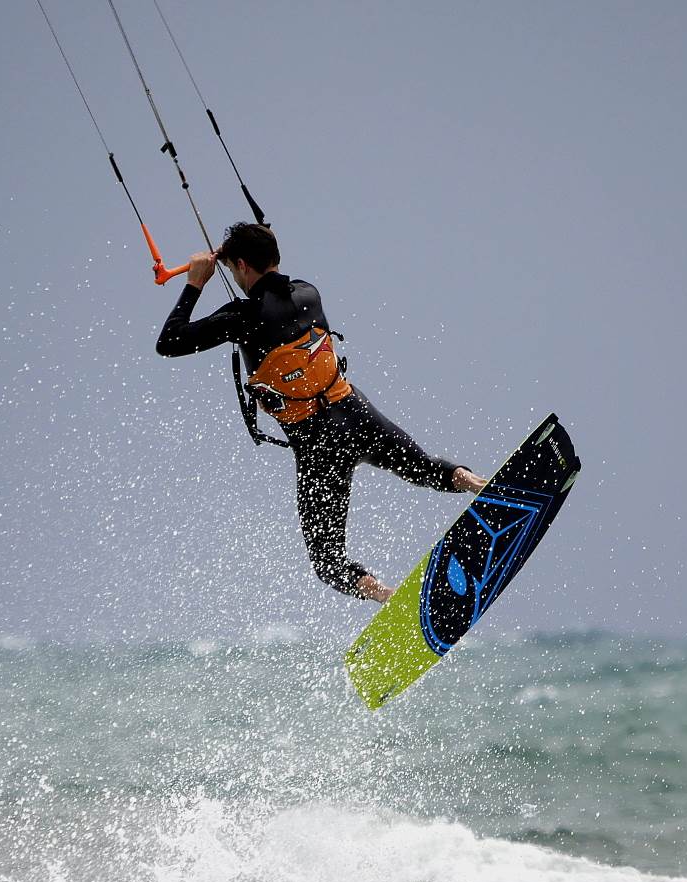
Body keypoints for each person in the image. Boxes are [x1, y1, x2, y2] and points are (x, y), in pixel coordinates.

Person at [156, 222, 487, 603]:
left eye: (232, 269)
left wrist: (195, 283)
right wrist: (250, 244)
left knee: (328, 561)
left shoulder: (240, 319)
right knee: (424, 468)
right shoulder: (308, 293)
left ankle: (388, 596)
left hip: (318, 447)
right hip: (358, 417)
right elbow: (271, 282)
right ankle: (476, 482)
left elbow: (169, 342)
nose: (234, 276)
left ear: (242, 265)